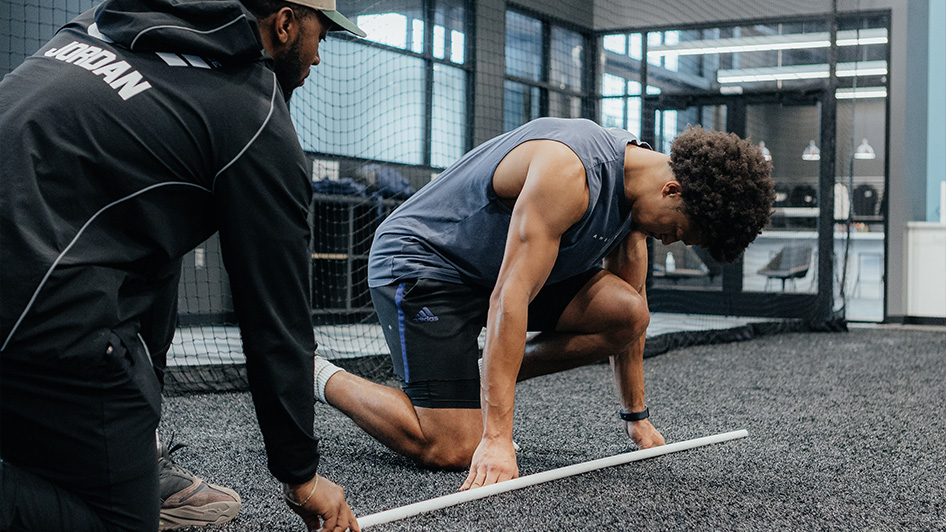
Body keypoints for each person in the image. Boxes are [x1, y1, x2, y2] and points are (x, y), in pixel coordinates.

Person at [0, 0, 366, 531]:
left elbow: (154, 254)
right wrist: (302, 476)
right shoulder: (254, 118)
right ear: (285, 24)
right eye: (320, 35)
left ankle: (127, 461)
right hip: (38, 305)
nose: (318, 55)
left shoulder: (103, 20)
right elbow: (276, 322)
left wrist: (139, 423)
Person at [311, 117, 775, 490]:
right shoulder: (569, 171)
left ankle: (483, 377)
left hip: (494, 271)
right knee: (453, 447)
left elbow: (632, 323)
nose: (670, 242)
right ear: (673, 191)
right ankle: (311, 371)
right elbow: (509, 298)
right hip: (426, 262)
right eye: (677, 232)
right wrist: (496, 438)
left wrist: (638, 419)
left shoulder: (641, 201)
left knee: (628, 312)